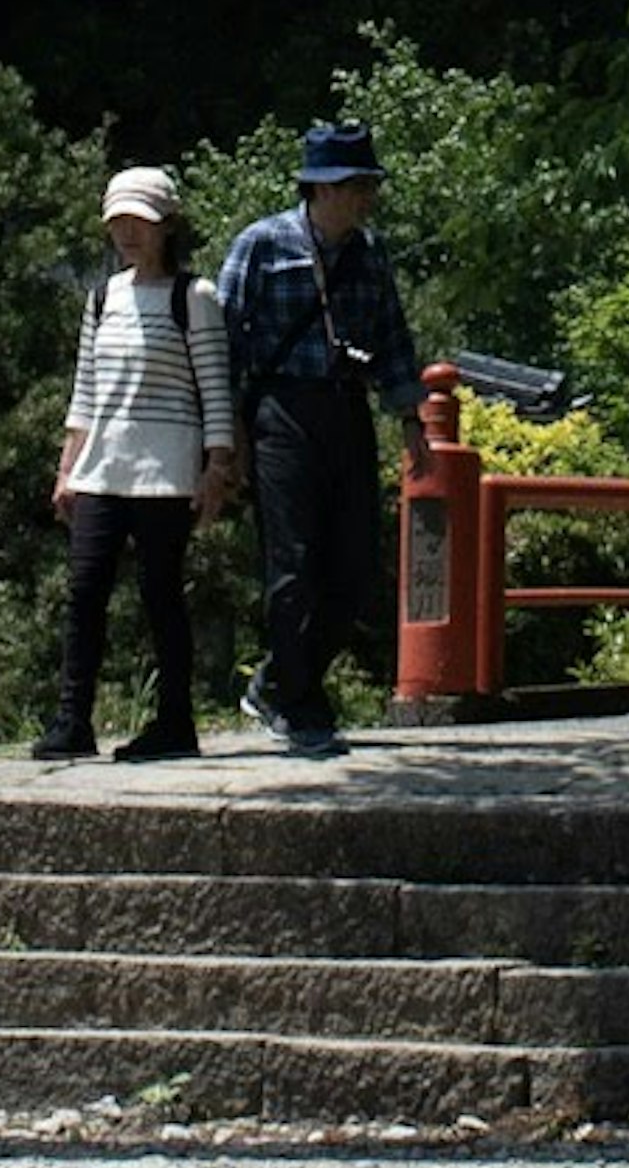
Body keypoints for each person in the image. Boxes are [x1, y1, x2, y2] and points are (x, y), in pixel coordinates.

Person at [218, 112, 428, 760]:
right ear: (321, 188)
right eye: (356, 183)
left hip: (347, 408)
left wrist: (411, 419)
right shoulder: (262, 244)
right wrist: (224, 436)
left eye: (368, 182)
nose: (366, 196)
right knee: (294, 562)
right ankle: (302, 702)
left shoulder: (369, 254)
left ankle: (280, 678)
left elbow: (392, 336)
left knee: (358, 564)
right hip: (280, 411)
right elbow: (222, 339)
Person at [42, 166, 239, 762]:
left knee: (160, 594)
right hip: (102, 467)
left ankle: (175, 721)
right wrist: (66, 469)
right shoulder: (103, 298)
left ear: (167, 226)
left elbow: (215, 390)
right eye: (118, 221)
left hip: (167, 470)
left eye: (140, 221)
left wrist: (216, 470)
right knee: (84, 592)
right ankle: (73, 719)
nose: (128, 233)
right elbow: (85, 392)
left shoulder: (194, 298)